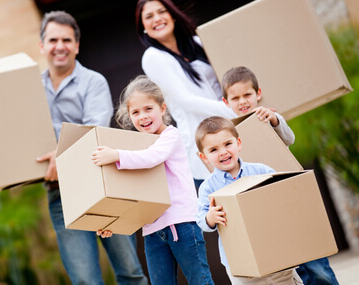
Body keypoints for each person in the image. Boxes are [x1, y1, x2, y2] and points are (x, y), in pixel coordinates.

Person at [0, 11, 148, 285]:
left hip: (102, 184)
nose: (60, 46)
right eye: (53, 39)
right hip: (61, 194)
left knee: (130, 272)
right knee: (85, 281)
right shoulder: (27, 88)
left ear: (77, 46)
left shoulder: (93, 82)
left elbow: (95, 129)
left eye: (67, 40)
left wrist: (62, 155)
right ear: (42, 46)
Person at [220, 66, 339, 285]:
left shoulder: (267, 116)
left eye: (247, 94)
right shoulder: (229, 134)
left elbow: (289, 138)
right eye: (235, 98)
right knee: (289, 268)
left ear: (258, 93)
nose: (242, 101)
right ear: (226, 102)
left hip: (290, 197)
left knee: (315, 263)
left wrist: (274, 119)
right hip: (265, 207)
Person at [91, 75, 215, 285]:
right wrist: (113, 222)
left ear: (163, 108)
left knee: (200, 280)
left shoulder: (170, 136)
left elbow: (152, 158)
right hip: (152, 230)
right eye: (136, 112)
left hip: (181, 224)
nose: (143, 117)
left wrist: (117, 156)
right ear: (130, 116)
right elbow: (130, 192)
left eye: (149, 109)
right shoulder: (136, 149)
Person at [135, 0, 235, 189]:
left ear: (172, 14)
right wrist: (236, 111)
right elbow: (185, 100)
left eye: (161, 11)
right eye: (149, 16)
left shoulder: (197, 43)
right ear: (143, 27)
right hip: (204, 149)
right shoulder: (153, 57)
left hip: (231, 136)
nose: (157, 18)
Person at [194, 116, 304, 285]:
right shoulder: (208, 187)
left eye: (227, 144)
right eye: (213, 150)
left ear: (238, 143)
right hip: (239, 262)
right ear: (204, 157)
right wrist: (210, 217)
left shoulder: (261, 170)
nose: (223, 152)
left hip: (275, 251)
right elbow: (201, 219)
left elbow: (280, 195)